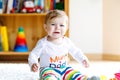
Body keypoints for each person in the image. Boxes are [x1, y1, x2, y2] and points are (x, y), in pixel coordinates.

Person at [28, 10, 90, 80]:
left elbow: (76, 51)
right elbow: (33, 54)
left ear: (66, 28)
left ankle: (85, 79)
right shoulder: (43, 43)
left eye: (61, 25)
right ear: (45, 27)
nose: (57, 28)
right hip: (48, 70)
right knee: (49, 77)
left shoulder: (67, 42)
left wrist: (83, 59)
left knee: (74, 74)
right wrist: (33, 63)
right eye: (53, 24)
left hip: (64, 69)